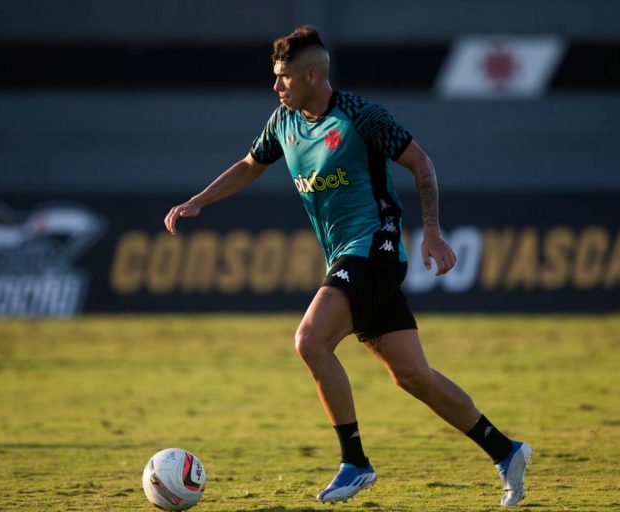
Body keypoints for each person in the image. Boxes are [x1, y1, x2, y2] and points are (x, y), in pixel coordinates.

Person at [164, 26, 532, 507]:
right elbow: (250, 164)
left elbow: (422, 164)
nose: (277, 87)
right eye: (276, 77)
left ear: (312, 76)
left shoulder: (361, 115)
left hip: (373, 248)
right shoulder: (283, 122)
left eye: (284, 78)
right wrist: (199, 201)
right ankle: (506, 451)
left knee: (310, 340)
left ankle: (354, 463)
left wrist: (434, 230)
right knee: (412, 376)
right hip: (346, 254)